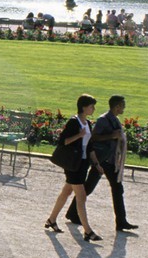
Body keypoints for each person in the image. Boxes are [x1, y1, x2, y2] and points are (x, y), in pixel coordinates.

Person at [65, 95, 136, 233]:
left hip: (110, 161)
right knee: (88, 188)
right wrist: (112, 136)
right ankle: (73, 213)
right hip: (102, 161)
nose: (124, 108)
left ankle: (121, 221)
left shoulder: (114, 119)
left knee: (117, 189)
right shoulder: (104, 120)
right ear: (117, 106)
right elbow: (94, 137)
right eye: (123, 105)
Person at [44, 94, 101, 241]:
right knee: (81, 196)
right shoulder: (74, 122)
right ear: (84, 107)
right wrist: (79, 135)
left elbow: (89, 146)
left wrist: (96, 164)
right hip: (72, 164)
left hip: (82, 164)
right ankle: (88, 231)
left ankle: (51, 219)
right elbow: (63, 141)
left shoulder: (88, 123)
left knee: (66, 192)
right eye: (91, 106)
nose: (93, 109)